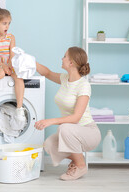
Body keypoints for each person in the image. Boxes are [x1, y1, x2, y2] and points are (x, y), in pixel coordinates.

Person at [34, 46, 101, 181]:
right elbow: (47, 73)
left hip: (88, 132)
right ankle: (77, 160)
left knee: (64, 128)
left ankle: (81, 165)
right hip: (72, 132)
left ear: (71, 63)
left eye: (64, 56)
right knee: (49, 145)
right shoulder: (65, 79)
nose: (62, 58)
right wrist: (30, 61)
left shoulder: (83, 85)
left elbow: (76, 118)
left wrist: (50, 121)